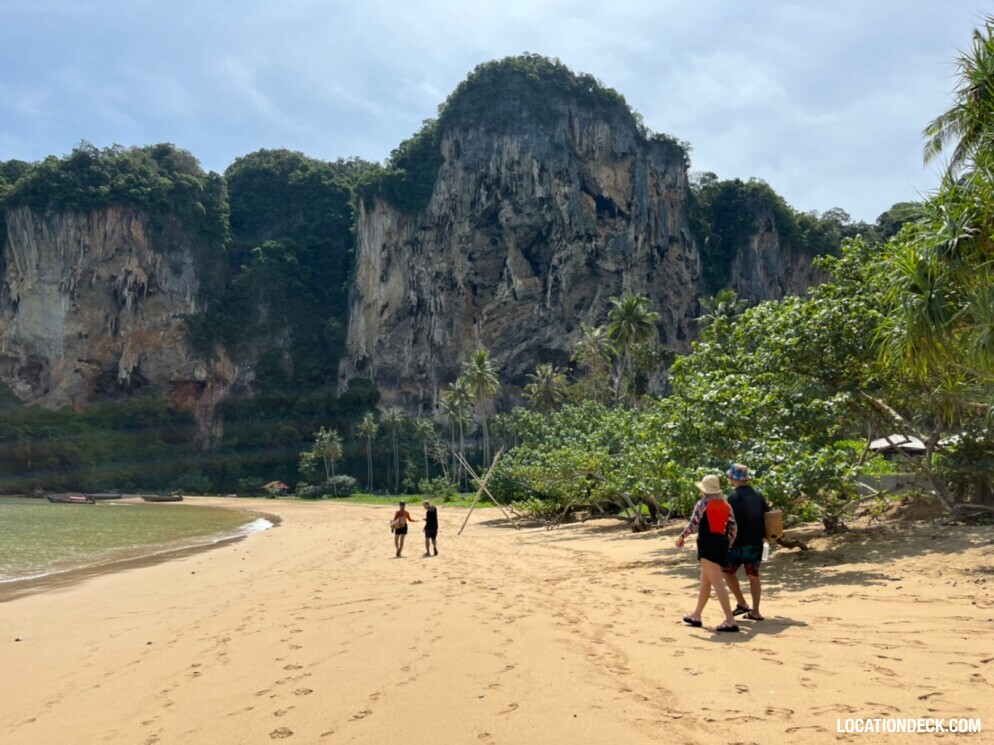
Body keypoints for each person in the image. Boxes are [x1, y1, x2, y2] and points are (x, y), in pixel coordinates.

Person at [676, 474, 739, 632]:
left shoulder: (703, 503)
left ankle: (730, 620)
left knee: (717, 582)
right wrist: (728, 544)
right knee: (705, 582)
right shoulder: (726, 505)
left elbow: (693, 523)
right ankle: (696, 615)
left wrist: (682, 536)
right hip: (721, 545)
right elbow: (733, 528)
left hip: (707, 544)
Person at [722, 463, 771, 621]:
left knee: (727, 572)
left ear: (733, 478)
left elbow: (728, 521)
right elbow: (767, 516)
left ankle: (742, 602)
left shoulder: (732, 497)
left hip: (736, 544)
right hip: (755, 543)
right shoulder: (757, 494)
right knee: (753, 576)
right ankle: (755, 611)